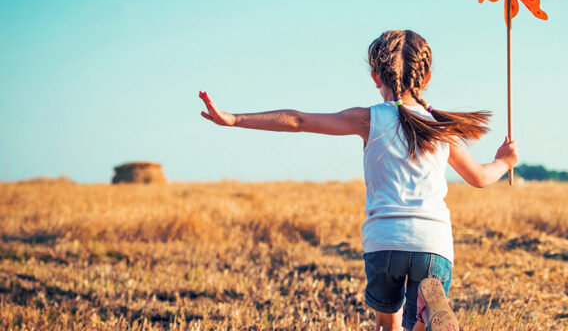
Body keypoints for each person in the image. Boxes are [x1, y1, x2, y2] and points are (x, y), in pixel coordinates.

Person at [199, 30, 519, 331]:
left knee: (387, 324)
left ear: (375, 77)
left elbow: (298, 120)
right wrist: (504, 160)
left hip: (384, 242)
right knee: (424, 312)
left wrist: (234, 119)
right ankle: (428, 309)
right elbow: (479, 177)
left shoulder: (368, 118)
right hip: (432, 244)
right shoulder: (439, 127)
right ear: (428, 78)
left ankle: (424, 310)